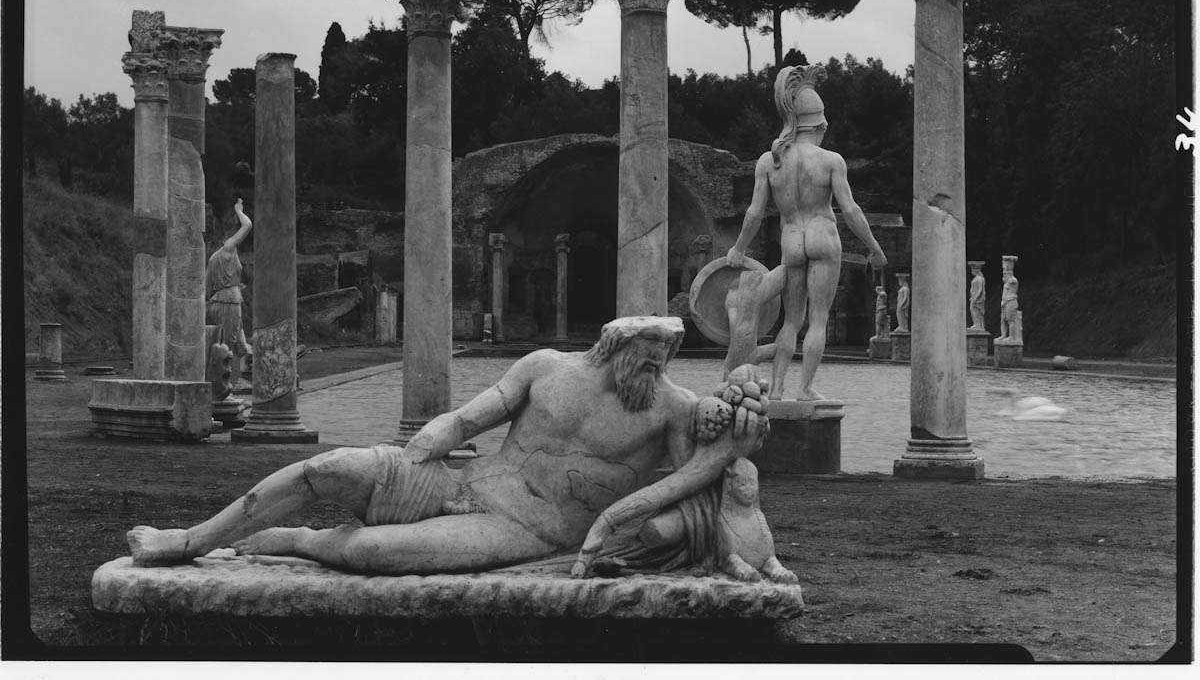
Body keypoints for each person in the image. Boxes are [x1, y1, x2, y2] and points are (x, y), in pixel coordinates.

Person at [127, 316, 768, 576]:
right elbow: (471, 416)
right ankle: (189, 541)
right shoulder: (546, 367)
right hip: (464, 481)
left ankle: (298, 541)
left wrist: (729, 446)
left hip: (525, 529)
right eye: (649, 353)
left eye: (666, 355)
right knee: (327, 466)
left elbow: (694, 482)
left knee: (372, 553)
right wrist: (437, 434)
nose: (658, 365)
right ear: (616, 346)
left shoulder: (674, 408)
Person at [727, 65, 886, 401]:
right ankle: (805, 389)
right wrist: (874, 247)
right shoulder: (831, 161)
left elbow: (755, 213)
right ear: (821, 124)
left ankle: (777, 389)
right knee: (818, 319)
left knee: (791, 321)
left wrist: (738, 248)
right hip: (822, 237)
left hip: (792, 241)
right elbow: (851, 210)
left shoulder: (769, 162)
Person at [205, 199, 254, 379]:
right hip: (229, 302)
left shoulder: (212, 259)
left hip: (218, 301)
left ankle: (243, 371)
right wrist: (239, 211)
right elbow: (247, 225)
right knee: (228, 343)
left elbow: (206, 288)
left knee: (237, 342)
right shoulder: (228, 249)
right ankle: (228, 382)